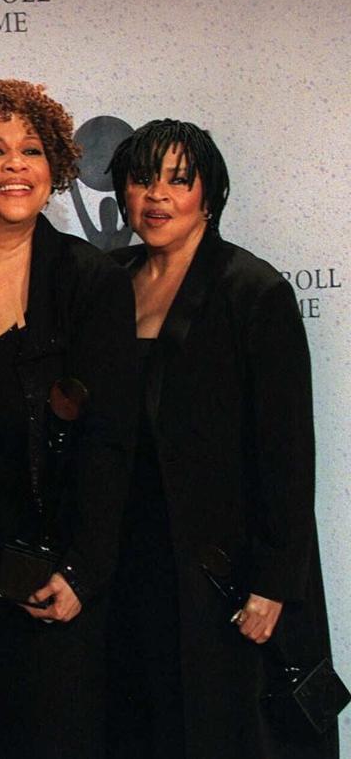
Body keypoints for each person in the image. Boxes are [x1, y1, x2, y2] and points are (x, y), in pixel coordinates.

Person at [0, 79, 137, 758]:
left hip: (43, 577)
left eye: (32, 150)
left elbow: (112, 439)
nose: (17, 165)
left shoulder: (86, 281)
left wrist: (83, 571)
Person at [106, 119, 337, 758]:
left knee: (228, 734)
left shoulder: (251, 290)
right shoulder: (106, 280)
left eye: (178, 181)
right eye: (142, 180)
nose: (157, 197)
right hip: (136, 558)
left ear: (210, 196)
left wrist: (274, 584)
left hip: (228, 575)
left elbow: (288, 452)